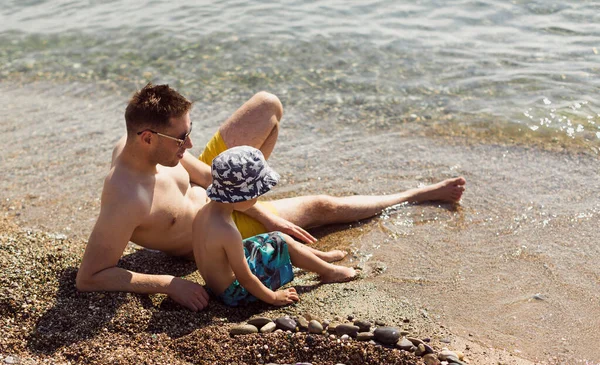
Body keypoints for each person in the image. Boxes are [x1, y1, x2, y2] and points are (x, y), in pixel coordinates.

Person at [76, 83, 466, 311]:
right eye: (182, 138)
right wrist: (169, 284)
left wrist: (258, 206)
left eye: (188, 131)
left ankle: (255, 195)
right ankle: (418, 194)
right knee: (322, 207)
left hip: (223, 198)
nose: (190, 143)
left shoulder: (153, 148)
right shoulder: (126, 198)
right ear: (147, 138)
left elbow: (208, 174)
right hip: (213, 228)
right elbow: (90, 277)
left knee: (267, 106)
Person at [194, 146, 356, 307]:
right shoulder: (227, 232)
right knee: (282, 243)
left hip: (215, 286)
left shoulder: (204, 212)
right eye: (256, 194)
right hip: (236, 293)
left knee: (276, 237)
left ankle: (322, 258)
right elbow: (246, 279)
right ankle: (329, 272)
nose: (257, 199)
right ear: (240, 196)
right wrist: (274, 297)